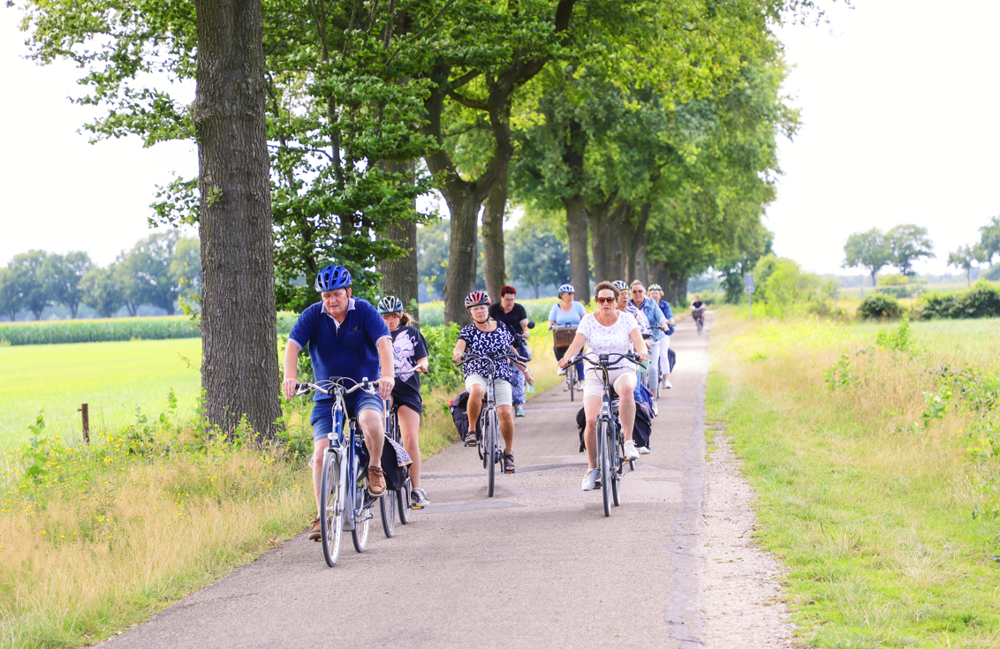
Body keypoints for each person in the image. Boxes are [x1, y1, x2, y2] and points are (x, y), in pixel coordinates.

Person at [282, 265, 395, 542]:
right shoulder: (312, 315)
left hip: (363, 387)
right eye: (325, 295)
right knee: (320, 454)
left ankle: (375, 468)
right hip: (326, 393)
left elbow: (383, 343)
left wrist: (387, 376)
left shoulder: (364, 311)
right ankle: (322, 515)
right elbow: (293, 346)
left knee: (371, 421)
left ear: (348, 292)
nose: (331, 300)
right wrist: (290, 377)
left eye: (335, 294)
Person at [558, 282, 650, 491]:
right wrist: (566, 359)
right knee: (591, 421)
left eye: (610, 299)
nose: (606, 303)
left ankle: (628, 442)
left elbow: (638, 341)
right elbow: (576, 344)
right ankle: (592, 469)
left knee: (627, 389)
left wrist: (642, 352)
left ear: (617, 301)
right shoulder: (588, 321)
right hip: (595, 371)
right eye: (601, 299)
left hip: (622, 367)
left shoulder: (627, 319)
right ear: (597, 301)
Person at [453, 291, 534, 474]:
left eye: (482, 307)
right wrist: (457, 354)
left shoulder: (501, 327)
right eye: (475, 309)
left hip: (500, 373)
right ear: (470, 312)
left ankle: (509, 453)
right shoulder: (468, 331)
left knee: (505, 412)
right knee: (476, 390)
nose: (479, 311)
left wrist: (526, 371)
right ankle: (472, 431)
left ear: (488, 309)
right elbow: (460, 346)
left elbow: (511, 352)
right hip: (476, 371)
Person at [377, 295, 431, 508]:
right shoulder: (375, 334)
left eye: (394, 315)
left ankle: (416, 489)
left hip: (408, 390)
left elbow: (422, 357)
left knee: (410, 438)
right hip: (384, 388)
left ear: (400, 315)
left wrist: (423, 365)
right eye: (385, 316)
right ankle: (376, 474)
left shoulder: (411, 333)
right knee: (376, 429)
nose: (390, 319)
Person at [488, 286, 531, 417]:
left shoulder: (519, 309)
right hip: (499, 348)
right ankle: (499, 404)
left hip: (515, 347)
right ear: (501, 298)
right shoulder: (494, 309)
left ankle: (519, 405)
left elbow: (525, 326)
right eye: (507, 299)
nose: (510, 302)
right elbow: (489, 325)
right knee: (500, 376)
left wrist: (525, 333)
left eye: (512, 299)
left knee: (517, 376)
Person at [629, 280, 668, 395]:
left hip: (652, 339)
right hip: (635, 342)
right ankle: (637, 396)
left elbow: (660, 315)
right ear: (631, 293)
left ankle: (653, 398)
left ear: (644, 292)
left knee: (653, 369)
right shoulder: (628, 306)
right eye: (635, 291)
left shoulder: (651, 303)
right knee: (637, 369)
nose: (637, 294)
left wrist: (663, 323)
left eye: (640, 291)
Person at [548, 283, 587, 387]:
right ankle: (561, 366)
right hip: (562, 336)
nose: (571, 295)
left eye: (572, 293)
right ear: (562, 295)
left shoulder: (578, 306)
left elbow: (585, 318)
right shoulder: (556, 308)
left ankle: (582, 381)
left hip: (576, 334)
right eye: (569, 293)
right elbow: (551, 321)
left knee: (579, 355)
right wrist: (551, 325)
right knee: (557, 348)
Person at [648, 284, 675, 389]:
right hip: (649, 333)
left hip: (662, 333)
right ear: (649, 295)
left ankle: (666, 380)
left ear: (660, 295)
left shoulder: (665, 305)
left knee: (663, 354)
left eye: (657, 293)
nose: (655, 295)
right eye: (652, 293)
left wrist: (671, 322)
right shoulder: (646, 305)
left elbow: (670, 316)